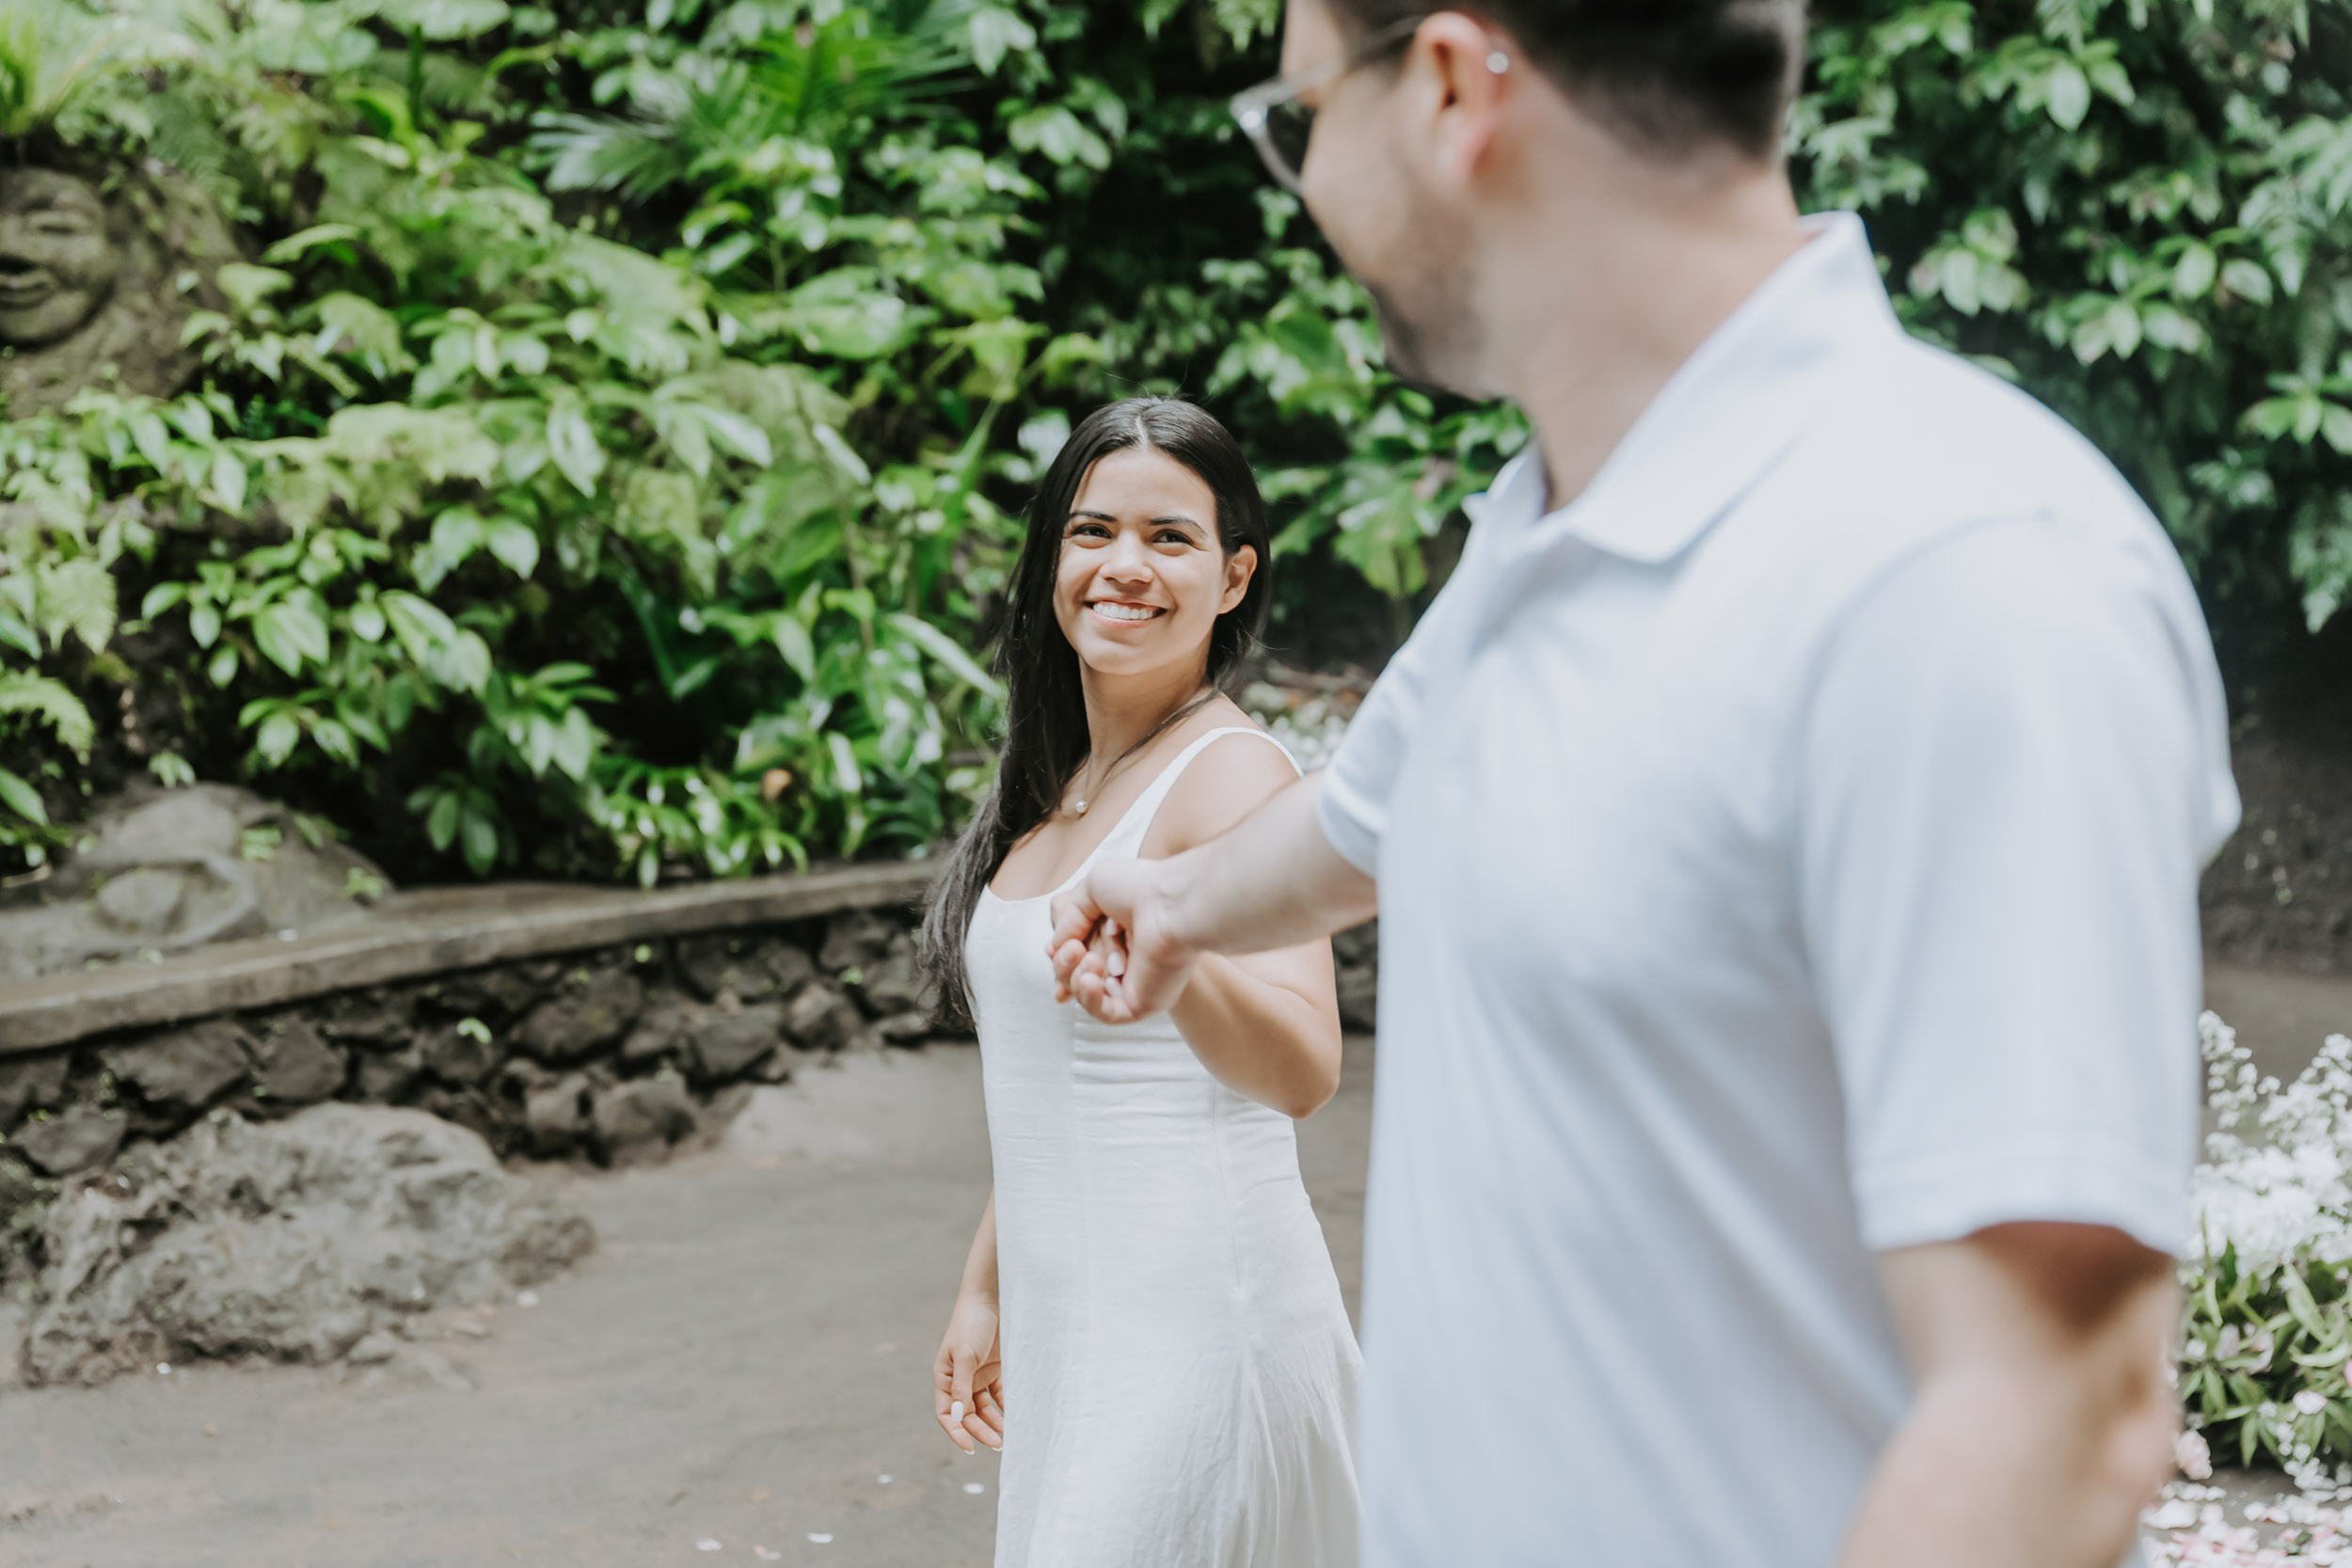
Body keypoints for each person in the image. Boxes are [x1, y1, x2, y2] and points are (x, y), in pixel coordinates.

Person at [1049, 5, 2241, 1566]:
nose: (1307, 185)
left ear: (1454, 89)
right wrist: (1176, 901)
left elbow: (2056, 1412)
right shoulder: (1538, 530)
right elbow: (1368, 818)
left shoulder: (1954, 573)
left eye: (1303, 116)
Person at [920, 397, 1361, 1568]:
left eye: (1170, 536)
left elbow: (1305, 1067)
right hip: (1077, 1322)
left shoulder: (1231, 773)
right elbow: (1053, 1085)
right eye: (1092, 530)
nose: (1124, 565)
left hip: (1200, 1317)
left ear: (1232, 576)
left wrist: (1177, 965)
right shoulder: (1058, 787)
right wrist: (985, 1286)